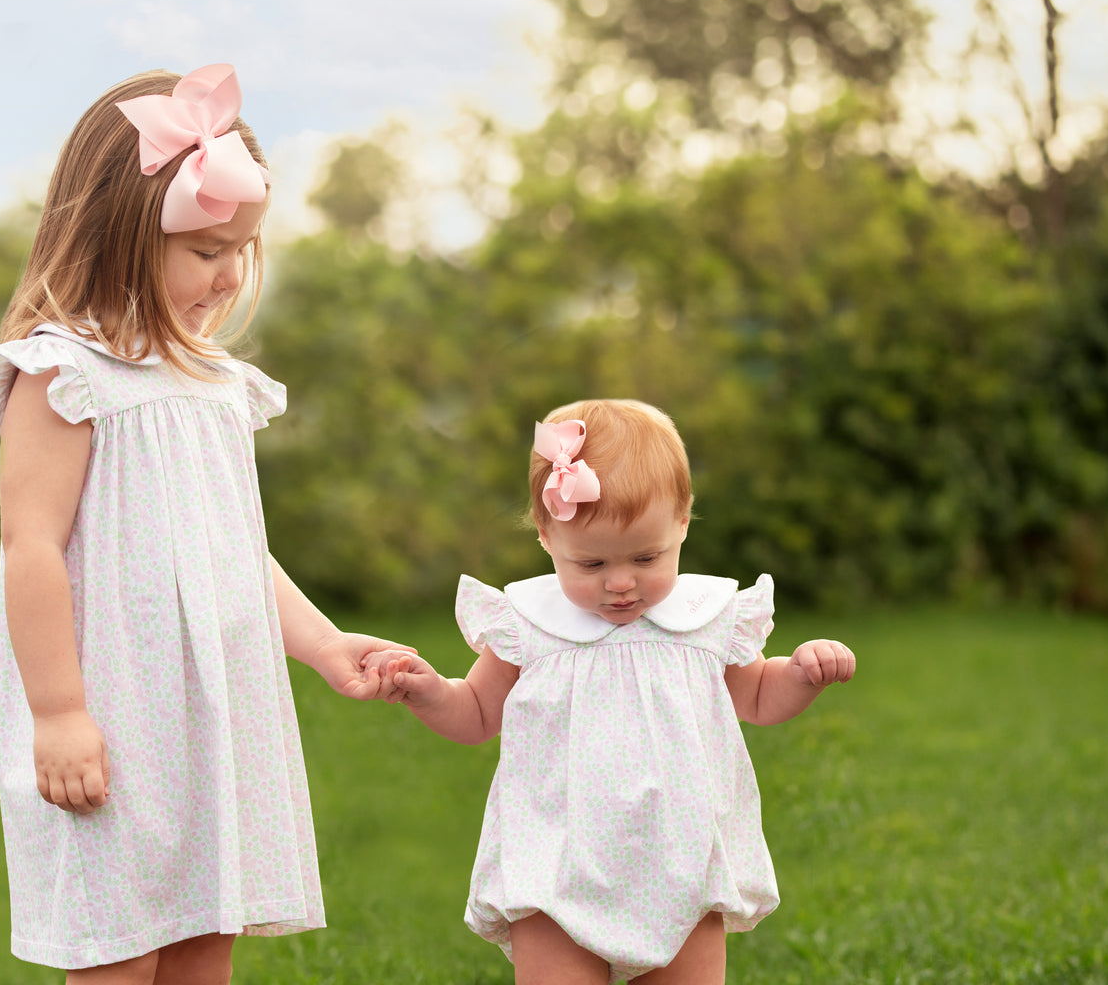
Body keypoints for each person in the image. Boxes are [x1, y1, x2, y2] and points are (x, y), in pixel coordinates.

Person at [0, 63, 410, 985]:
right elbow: (29, 545)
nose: (231, 271)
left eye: (243, 246)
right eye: (206, 248)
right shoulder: (66, 373)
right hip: (115, 712)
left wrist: (322, 644)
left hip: (212, 716)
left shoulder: (213, 383)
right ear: (117, 233)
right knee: (118, 940)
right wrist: (59, 713)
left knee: (207, 936)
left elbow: (233, 550)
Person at [367, 399, 856, 985]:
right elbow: (474, 714)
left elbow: (756, 698)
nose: (621, 583)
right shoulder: (530, 625)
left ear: (682, 520)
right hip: (556, 859)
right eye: (592, 562)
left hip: (681, 856)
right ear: (547, 535)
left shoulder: (705, 620)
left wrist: (800, 674)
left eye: (647, 558)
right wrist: (427, 693)